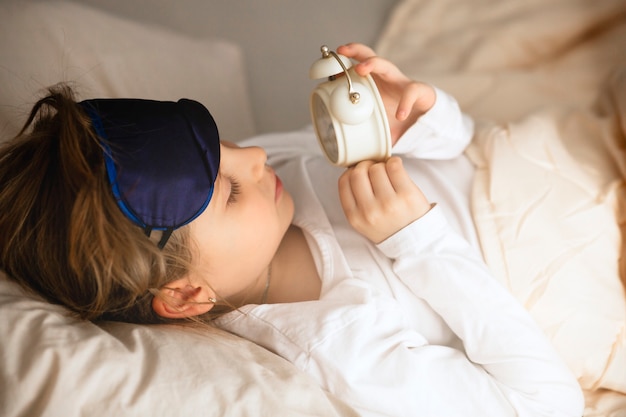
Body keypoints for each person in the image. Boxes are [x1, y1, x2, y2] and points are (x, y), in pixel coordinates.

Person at [0, 43, 583, 416]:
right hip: (581, 254)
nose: (254, 158)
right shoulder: (342, 344)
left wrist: (420, 113)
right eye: (229, 191)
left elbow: (467, 146)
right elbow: (549, 405)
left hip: (549, 156)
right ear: (185, 294)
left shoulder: (273, 180)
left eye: (223, 142)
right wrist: (418, 242)